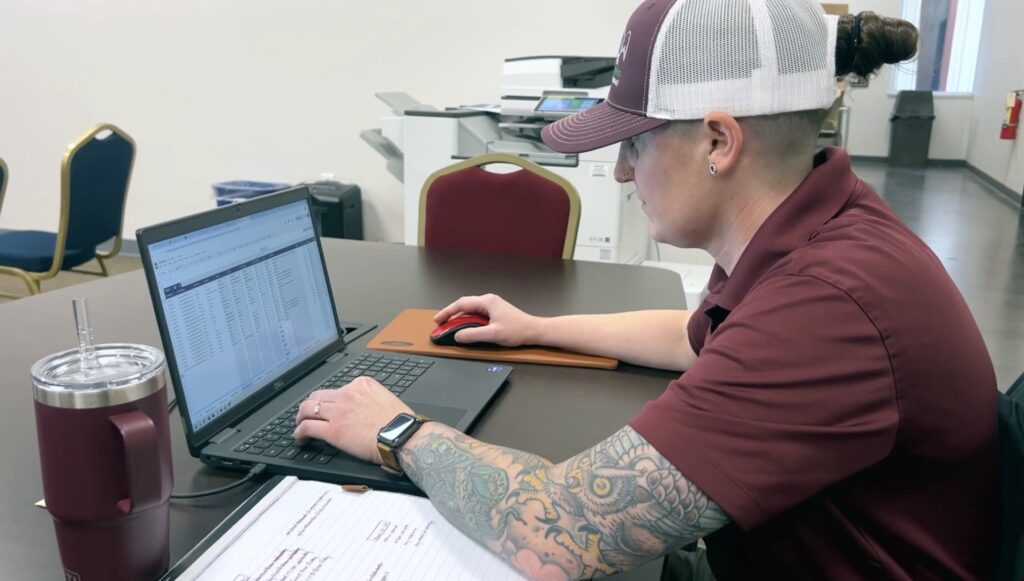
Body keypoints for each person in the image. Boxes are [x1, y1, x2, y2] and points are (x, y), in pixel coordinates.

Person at [294, 1, 998, 579]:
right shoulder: (814, 229)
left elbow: (563, 532)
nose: (624, 173)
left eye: (636, 142)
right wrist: (536, 326)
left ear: (719, 142)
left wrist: (394, 430)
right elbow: (701, 338)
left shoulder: (829, 305)